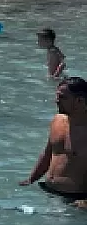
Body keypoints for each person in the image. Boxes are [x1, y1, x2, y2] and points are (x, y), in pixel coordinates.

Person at [21, 76, 87, 207]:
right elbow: (48, 154)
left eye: (62, 97)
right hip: (47, 191)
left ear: (79, 100)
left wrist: (85, 202)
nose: (56, 101)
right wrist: (31, 180)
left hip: (74, 201)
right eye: (57, 96)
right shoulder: (58, 120)